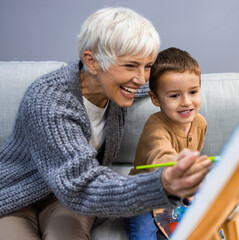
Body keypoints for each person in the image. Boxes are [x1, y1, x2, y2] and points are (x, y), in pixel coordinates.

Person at [0, 8, 212, 239]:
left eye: (147, 66)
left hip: (64, 202)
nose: (141, 78)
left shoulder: (117, 87)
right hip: (18, 197)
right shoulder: (48, 103)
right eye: (130, 66)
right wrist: (161, 185)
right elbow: (82, 186)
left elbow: (157, 87)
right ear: (92, 62)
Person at [127, 47, 207, 239]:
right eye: (174, 95)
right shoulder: (156, 126)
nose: (186, 102)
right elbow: (161, 154)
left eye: (193, 92)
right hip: (144, 192)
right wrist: (180, 170)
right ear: (155, 98)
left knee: (208, 218)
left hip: (177, 190)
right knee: (142, 234)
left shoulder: (200, 123)